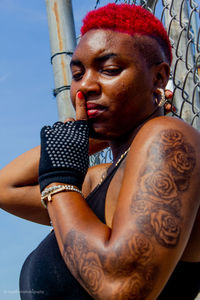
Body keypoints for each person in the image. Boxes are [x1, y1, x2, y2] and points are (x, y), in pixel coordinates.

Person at [0, 3, 200, 300]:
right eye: (78, 74)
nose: (86, 86)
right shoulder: (100, 178)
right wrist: (85, 139)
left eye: (109, 70)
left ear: (159, 78)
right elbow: (7, 187)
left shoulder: (169, 138)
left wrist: (59, 181)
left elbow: (121, 289)